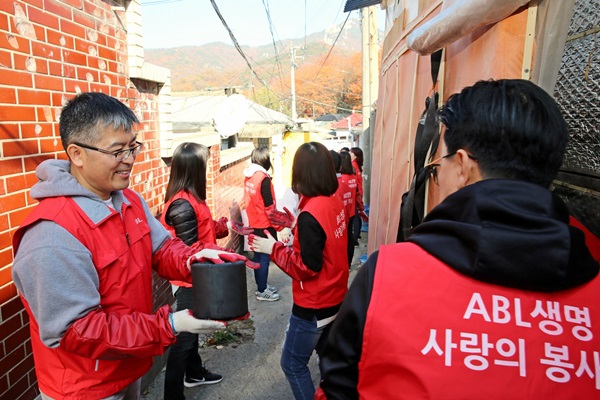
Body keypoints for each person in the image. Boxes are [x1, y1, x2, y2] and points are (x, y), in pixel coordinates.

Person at [316, 79, 600, 399]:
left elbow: (337, 386)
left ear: (463, 166)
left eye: (439, 167)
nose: (439, 178)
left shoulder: (387, 276)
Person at [11, 92, 254, 400]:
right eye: (117, 151)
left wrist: (193, 258)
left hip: (130, 366)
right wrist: (170, 324)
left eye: (132, 147)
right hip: (84, 388)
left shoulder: (128, 200)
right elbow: (79, 330)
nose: (129, 160)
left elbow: (161, 249)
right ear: (77, 154)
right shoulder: (51, 235)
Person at [249, 142, 349, 400]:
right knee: (328, 360)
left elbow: (307, 267)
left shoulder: (310, 214)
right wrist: (290, 226)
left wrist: (273, 248)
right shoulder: (333, 200)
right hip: (335, 296)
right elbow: (322, 241)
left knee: (292, 364)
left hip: (314, 304)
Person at [160, 142, 250, 400]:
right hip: (189, 280)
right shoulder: (181, 205)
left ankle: (195, 373)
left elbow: (204, 228)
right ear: (193, 167)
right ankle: (173, 395)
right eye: (205, 162)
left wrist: (221, 227)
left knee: (193, 332)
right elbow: (190, 251)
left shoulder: (191, 199)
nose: (208, 166)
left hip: (197, 277)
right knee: (185, 339)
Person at [243, 146, 290, 301]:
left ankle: (261, 286)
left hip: (254, 222)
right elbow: (269, 209)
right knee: (263, 258)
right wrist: (280, 227)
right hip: (264, 225)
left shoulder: (249, 176)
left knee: (258, 257)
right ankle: (262, 291)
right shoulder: (263, 179)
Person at [330, 150, 357, 268]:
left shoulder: (335, 184)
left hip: (341, 218)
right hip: (349, 214)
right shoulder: (348, 179)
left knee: (342, 243)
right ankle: (347, 265)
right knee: (348, 240)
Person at [348, 147, 367, 246]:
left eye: (351, 153)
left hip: (356, 193)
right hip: (358, 192)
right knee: (357, 215)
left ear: (355, 155)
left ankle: (354, 237)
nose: (349, 154)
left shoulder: (353, 165)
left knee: (354, 215)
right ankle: (356, 235)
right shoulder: (357, 165)